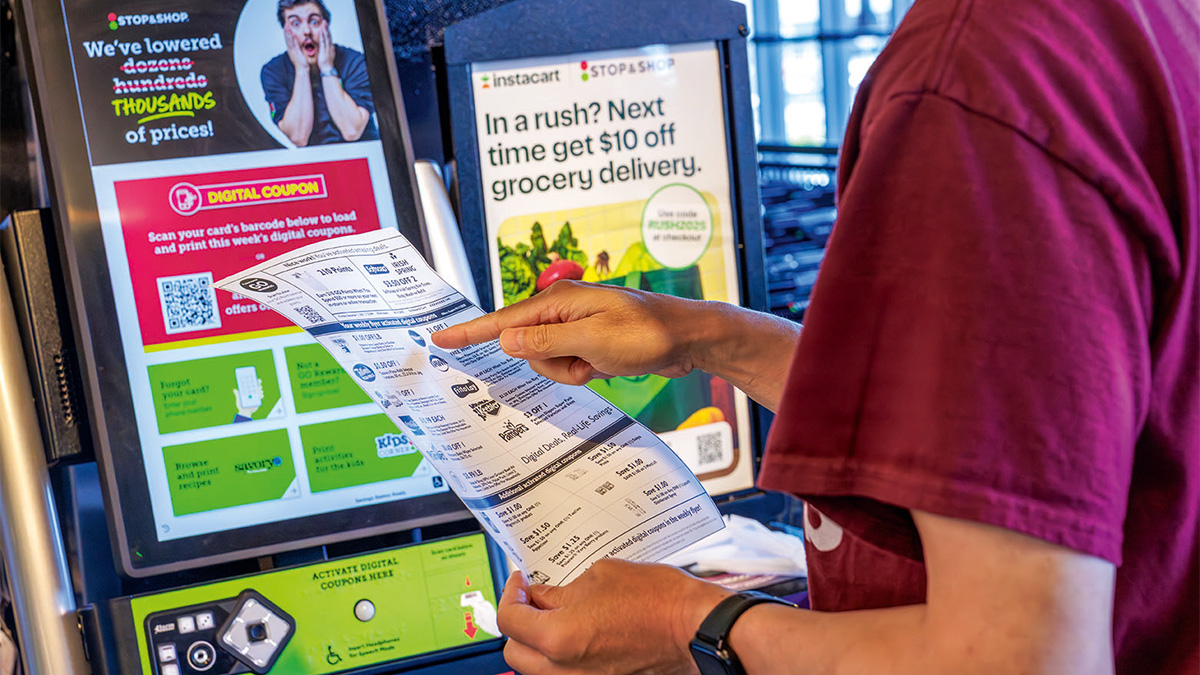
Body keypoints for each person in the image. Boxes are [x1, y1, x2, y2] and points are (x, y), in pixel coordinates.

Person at [431, 0, 1198, 671]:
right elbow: (1026, 425)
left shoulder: (972, 83)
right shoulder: (1130, 25)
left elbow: (1018, 661)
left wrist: (688, 625)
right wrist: (712, 338)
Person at [260, 0, 378, 147]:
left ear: (326, 25)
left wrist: (327, 67)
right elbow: (298, 137)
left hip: (364, 157)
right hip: (316, 163)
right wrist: (302, 70)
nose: (307, 31)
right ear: (285, 31)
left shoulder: (356, 62)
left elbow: (352, 131)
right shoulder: (273, 71)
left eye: (314, 22)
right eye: (296, 24)